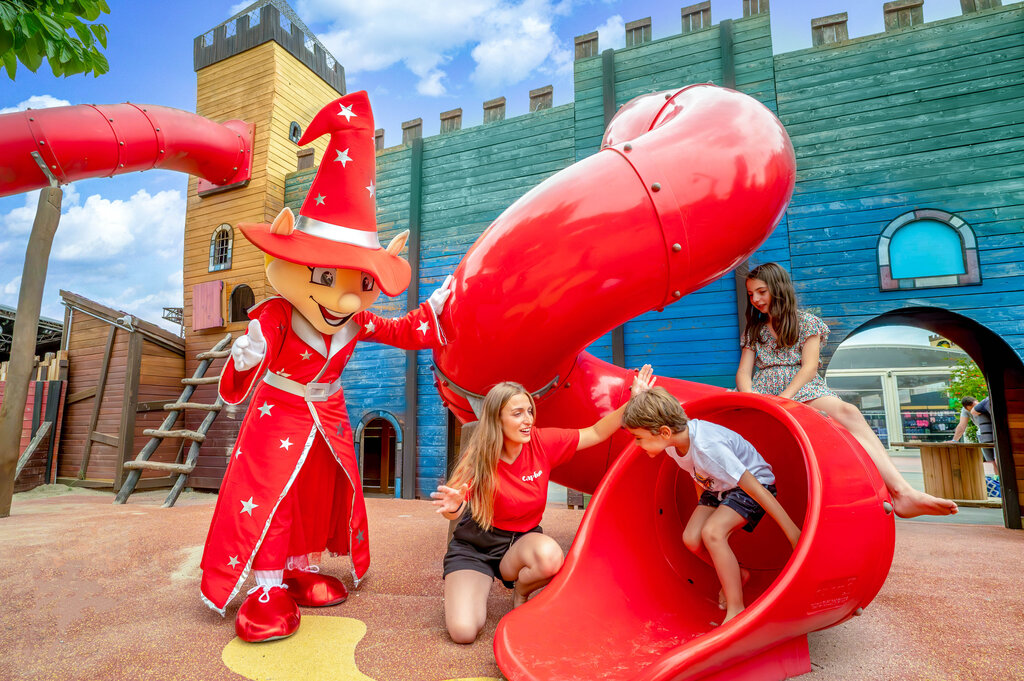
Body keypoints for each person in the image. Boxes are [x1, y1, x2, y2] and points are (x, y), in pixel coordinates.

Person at [199, 91, 453, 643]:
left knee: (319, 489)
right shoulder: (274, 314)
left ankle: (302, 567)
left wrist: (437, 310)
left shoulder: (355, 322)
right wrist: (247, 357)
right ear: (291, 261)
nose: (344, 302)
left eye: (361, 284)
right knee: (272, 492)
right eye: (325, 279)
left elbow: (398, 329)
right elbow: (248, 363)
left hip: (328, 416)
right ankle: (265, 584)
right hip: (279, 412)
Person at [430, 366, 655, 644]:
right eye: (517, 413)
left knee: (550, 557)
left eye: (529, 411)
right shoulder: (479, 457)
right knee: (464, 632)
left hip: (519, 544)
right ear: (496, 420)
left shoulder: (541, 442)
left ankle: (521, 591)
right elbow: (455, 510)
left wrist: (634, 402)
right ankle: (478, 585)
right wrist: (453, 507)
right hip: (475, 548)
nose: (528, 420)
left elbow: (596, 433)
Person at [736, 262, 957, 518]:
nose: (756, 299)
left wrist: (784, 399)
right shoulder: (755, 330)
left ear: (778, 288)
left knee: (848, 412)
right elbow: (744, 372)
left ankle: (903, 492)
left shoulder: (807, 322)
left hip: (801, 388)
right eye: (751, 294)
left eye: (761, 291)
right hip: (763, 390)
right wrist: (753, 397)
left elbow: (808, 368)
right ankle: (901, 493)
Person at [622, 386, 801, 624]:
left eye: (639, 438)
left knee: (712, 533)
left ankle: (736, 610)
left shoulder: (709, 448)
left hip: (754, 484)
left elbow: (754, 487)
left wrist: (793, 534)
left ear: (664, 432)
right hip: (717, 486)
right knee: (692, 539)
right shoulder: (673, 444)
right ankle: (738, 573)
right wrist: (704, 510)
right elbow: (698, 475)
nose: (637, 444)